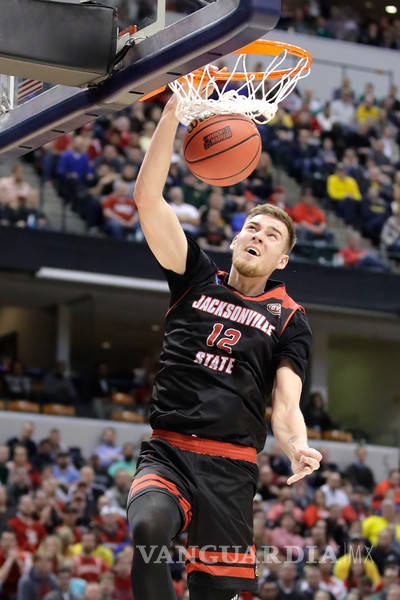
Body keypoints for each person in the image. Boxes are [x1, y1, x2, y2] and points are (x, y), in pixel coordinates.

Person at [128, 88, 322, 600]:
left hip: (231, 467)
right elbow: (147, 200)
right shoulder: (194, 278)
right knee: (148, 529)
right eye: (251, 228)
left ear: (281, 260)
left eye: (271, 236)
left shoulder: (289, 318)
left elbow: (285, 402)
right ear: (235, 240)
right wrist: (172, 115)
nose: (258, 235)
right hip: (168, 451)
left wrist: (296, 444)